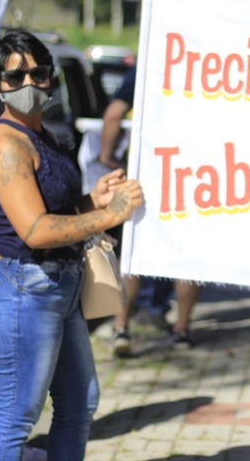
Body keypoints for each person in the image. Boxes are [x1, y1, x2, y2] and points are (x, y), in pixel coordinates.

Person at [0, 30, 143, 460]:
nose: (29, 84)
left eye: (39, 73)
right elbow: (36, 229)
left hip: (58, 288)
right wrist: (109, 215)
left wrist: (94, 200)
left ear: (50, 79)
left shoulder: (41, 135)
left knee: (79, 403)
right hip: (23, 292)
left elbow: (57, 210)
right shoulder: (6, 145)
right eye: (15, 78)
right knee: (15, 418)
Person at [97, 59, 201, 358]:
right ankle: (182, 328)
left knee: (134, 250)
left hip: (148, 170)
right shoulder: (200, 65)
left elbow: (113, 114)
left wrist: (107, 155)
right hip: (192, 172)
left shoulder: (147, 64)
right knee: (186, 252)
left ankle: (120, 326)